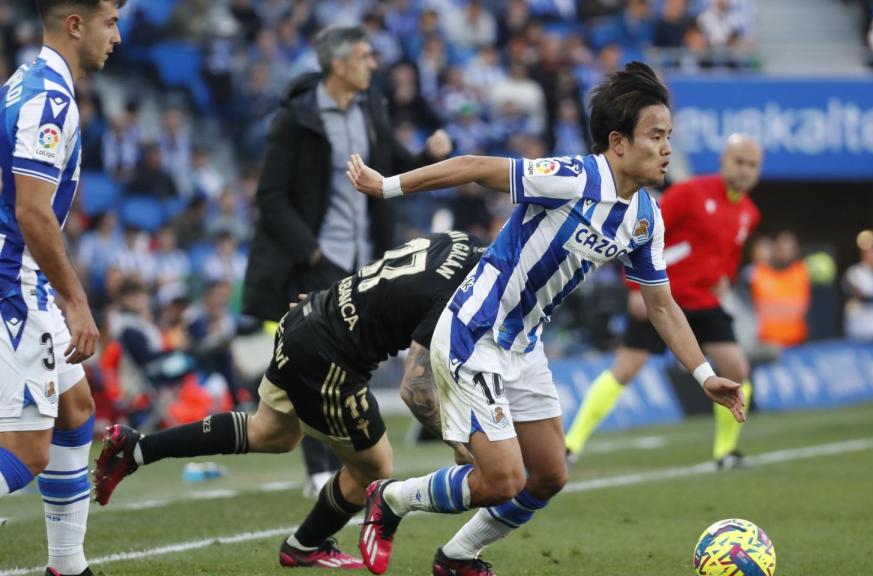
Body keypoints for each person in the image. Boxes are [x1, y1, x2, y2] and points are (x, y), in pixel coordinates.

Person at [346, 62, 745, 576]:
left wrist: (705, 375)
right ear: (618, 143)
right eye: (656, 135)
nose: (667, 148)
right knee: (501, 480)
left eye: (669, 136)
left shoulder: (646, 217)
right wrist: (389, 186)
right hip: (475, 332)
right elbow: (473, 165)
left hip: (524, 347)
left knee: (551, 474)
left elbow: (662, 304)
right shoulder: (574, 177)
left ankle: (457, 557)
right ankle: (390, 499)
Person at [92, 232, 483, 568]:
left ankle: (137, 448)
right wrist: (461, 443)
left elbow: (388, 275)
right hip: (331, 355)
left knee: (271, 433)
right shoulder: (466, 289)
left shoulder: (459, 240)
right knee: (374, 467)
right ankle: (305, 546)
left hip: (313, 312)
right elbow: (414, 388)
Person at [241, 24, 454, 497]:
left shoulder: (371, 109)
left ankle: (337, 465)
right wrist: (311, 252)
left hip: (363, 262)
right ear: (338, 64)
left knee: (346, 365)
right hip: (315, 258)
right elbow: (271, 196)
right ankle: (319, 470)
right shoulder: (296, 119)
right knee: (314, 360)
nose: (373, 64)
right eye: (363, 56)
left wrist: (427, 156)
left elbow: (392, 168)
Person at [0, 2, 121, 575]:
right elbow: (32, 212)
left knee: (76, 410)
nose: (116, 37)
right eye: (110, 22)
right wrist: (77, 301)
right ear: (76, 23)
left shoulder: (27, 78)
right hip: (17, 285)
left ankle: (67, 567)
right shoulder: (49, 99)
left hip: (24, 279)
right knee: (28, 450)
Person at [564, 133, 763, 470]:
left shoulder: (748, 212)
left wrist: (724, 282)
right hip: (661, 299)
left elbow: (728, 255)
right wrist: (633, 288)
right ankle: (571, 445)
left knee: (736, 369)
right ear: (723, 161)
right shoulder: (689, 193)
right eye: (739, 162)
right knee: (625, 371)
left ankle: (725, 452)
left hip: (702, 302)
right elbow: (641, 232)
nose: (745, 170)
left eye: (752, 165)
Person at [750, 231, 810, 348]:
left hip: (798, 341)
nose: (785, 251)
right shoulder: (755, 274)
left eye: (789, 248)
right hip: (767, 343)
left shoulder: (802, 271)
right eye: (781, 247)